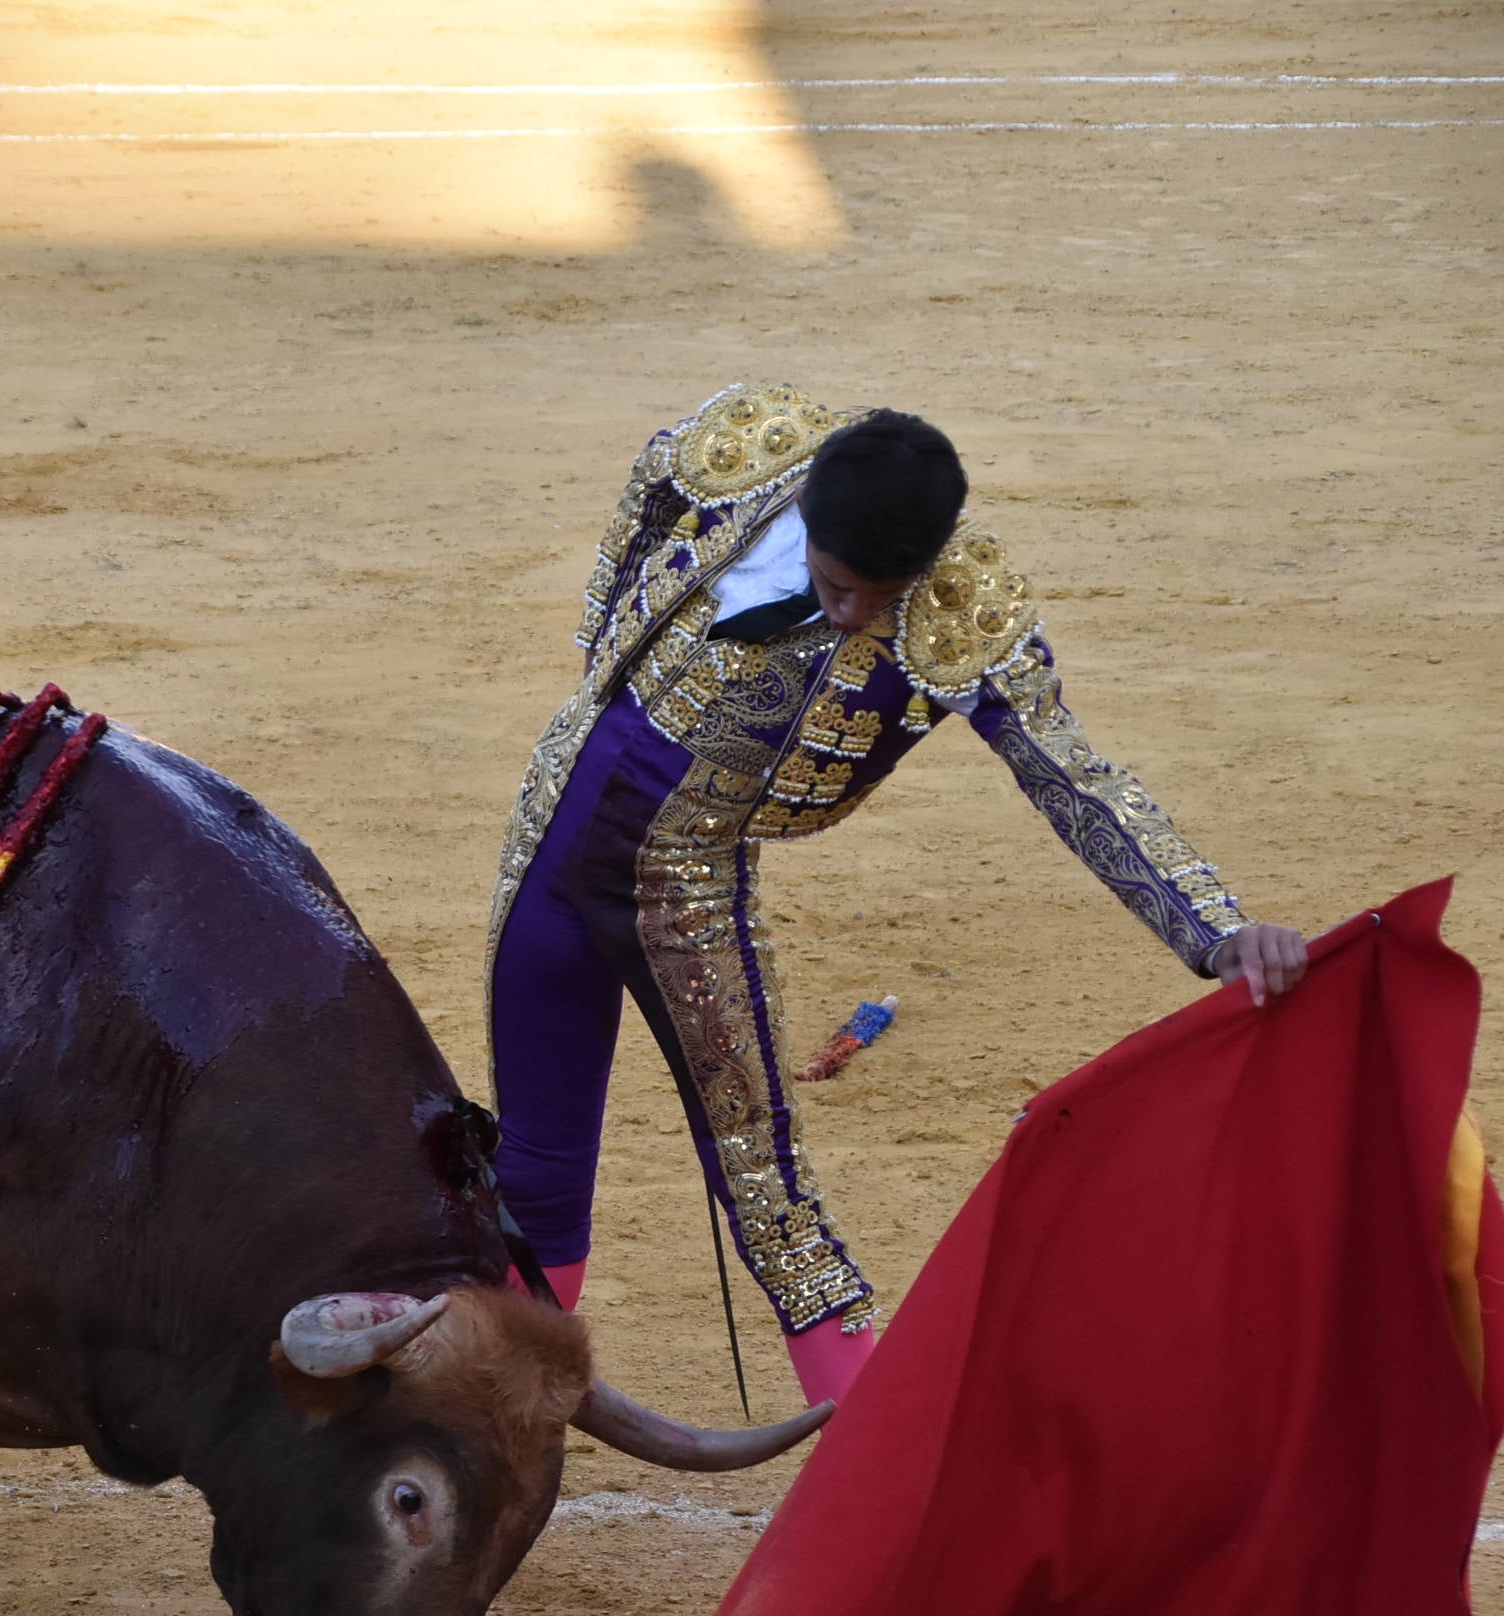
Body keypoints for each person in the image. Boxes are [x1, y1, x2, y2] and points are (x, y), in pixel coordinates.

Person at [488, 383, 1307, 1405]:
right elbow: (658, 471)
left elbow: (1074, 778)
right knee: (534, 1160)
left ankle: (871, 1464)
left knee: (769, 1195)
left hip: (681, 890)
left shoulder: (961, 608)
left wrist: (1216, 929)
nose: (851, 614)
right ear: (804, 511)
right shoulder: (752, 443)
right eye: (836, 585)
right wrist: (603, 647)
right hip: (548, 833)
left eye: (878, 595)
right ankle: (505, 1423)